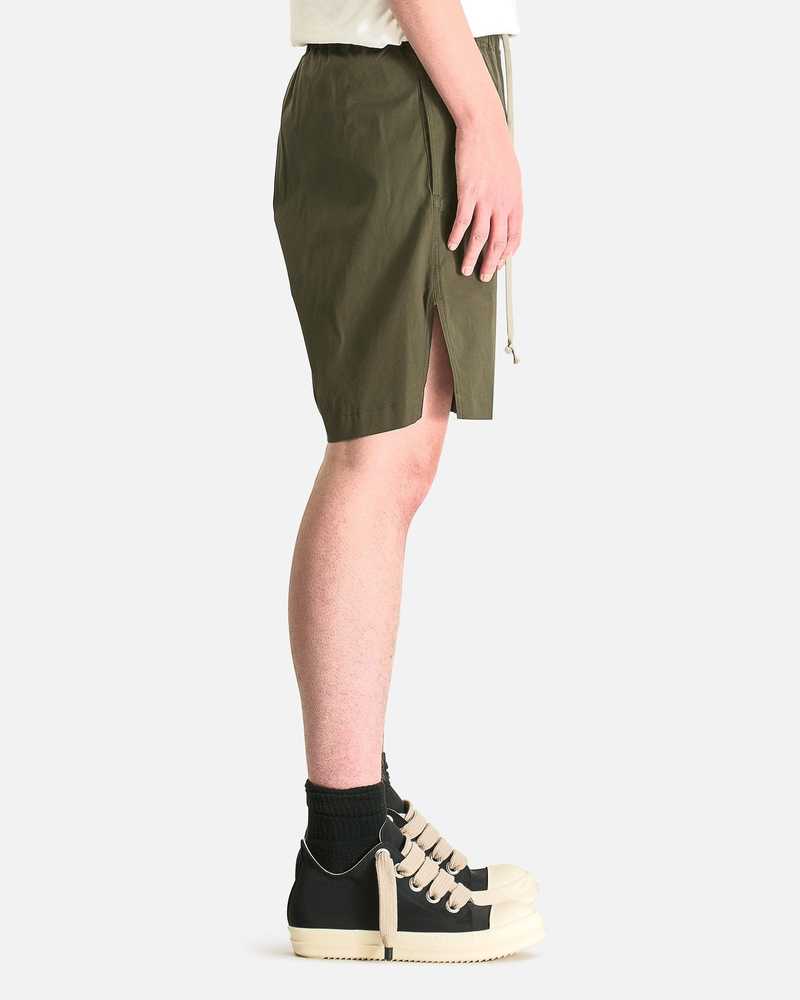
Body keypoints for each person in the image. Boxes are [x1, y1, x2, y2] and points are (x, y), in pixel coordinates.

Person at [274, 0, 542, 962]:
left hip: (407, 78)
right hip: (401, 83)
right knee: (377, 459)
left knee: (397, 457)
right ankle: (346, 850)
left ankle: (358, 818)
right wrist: (477, 112)